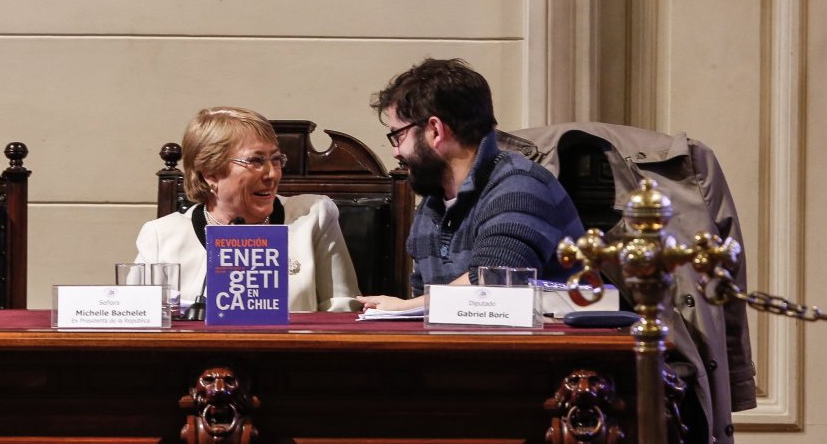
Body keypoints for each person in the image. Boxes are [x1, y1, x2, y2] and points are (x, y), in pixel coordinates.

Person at [357, 58, 584, 311]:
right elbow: (427, 301)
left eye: (398, 136)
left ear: (435, 130)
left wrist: (406, 307)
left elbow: (497, 282)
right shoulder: (432, 204)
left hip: (544, 348)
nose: (396, 152)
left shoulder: (520, 185)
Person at [134, 106, 360, 312]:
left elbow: (342, 311)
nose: (272, 174)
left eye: (275, 159)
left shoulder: (312, 216)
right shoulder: (160, 237)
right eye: (256, 161)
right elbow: (137, 318)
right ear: (210, 172)